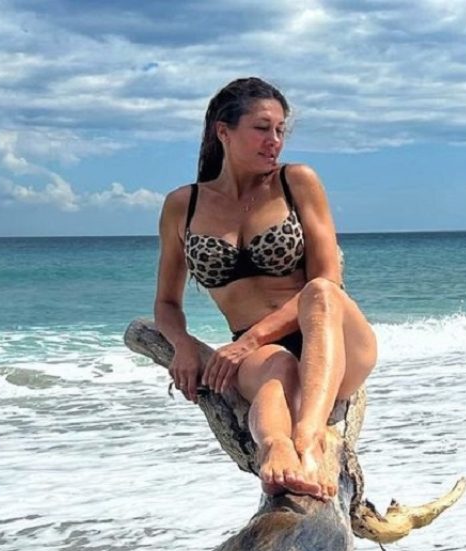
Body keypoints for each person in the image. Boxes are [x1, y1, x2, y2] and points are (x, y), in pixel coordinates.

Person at [154, 77, 378, 501]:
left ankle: (310, 437)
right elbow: (166, 302)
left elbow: (329, 280)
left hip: (332, 337)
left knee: (321, 292)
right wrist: (181, 345)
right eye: (261, 128)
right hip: (259, 351)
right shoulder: (184, 205)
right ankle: (275, 449)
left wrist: (249, 340)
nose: (274, 140)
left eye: (279, 130)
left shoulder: (296, 182)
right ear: (224, 132)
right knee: (277, 369)